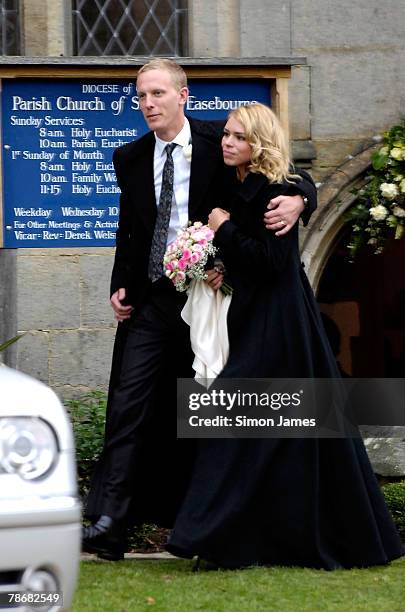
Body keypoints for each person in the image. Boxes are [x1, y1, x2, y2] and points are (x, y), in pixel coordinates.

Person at [82, 59, 318, 560]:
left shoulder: (221, 140)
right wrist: (120, 283)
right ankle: (109, 523)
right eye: (141, 95)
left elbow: (281, 169)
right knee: (129, 404)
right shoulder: (129, 156)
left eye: (158, 94)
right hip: (151, 298)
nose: (148, 104)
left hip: (209, 300)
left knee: (206, 410)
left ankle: (205, 525)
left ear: (184, 96)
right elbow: (131, 228)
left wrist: (303, 199)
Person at [165, 103, 405, 569]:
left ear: (258, 144)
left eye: (237, 137)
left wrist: (224, 230)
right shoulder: (243, 181)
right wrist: (219, 265)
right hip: (257, 316)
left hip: (279, 323)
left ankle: (206, 536)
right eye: (227, 135)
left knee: (236, 421)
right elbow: (251, 259)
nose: (227, 142)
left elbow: (272, 263)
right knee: (283, 433)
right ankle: (242, 543)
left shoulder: (275, 192)